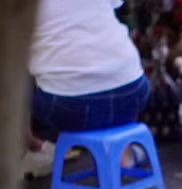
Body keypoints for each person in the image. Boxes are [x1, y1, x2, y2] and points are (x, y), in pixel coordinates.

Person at [25, 0, 150, 171]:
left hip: (66, 107)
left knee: (14, 79)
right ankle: (123, 151)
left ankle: (23, 146)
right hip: (132, 93)